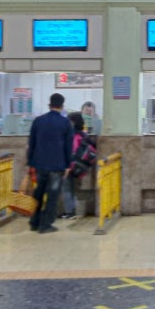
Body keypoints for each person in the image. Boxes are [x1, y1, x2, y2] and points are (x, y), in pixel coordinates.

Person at [27, 93, 74, 234]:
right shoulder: (66, 123)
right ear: (62, 106)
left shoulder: (38, 121)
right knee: (52, 196)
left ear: (50, 104)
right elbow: (68, 146)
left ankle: (34, 222)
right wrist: (67, 165)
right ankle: (45, 225)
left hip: (40, 165)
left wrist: (30, 162)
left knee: (38, 193)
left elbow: (31, 144)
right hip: (57, 166)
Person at [61, 112, 95, 219]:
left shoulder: (72, 135)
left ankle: (70, 212)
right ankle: (71, 211)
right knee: (71, 188)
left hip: (70, 165)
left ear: (73, 122)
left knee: (67, 188)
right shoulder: (83, 134)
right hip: (80, 166)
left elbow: (72, 151)